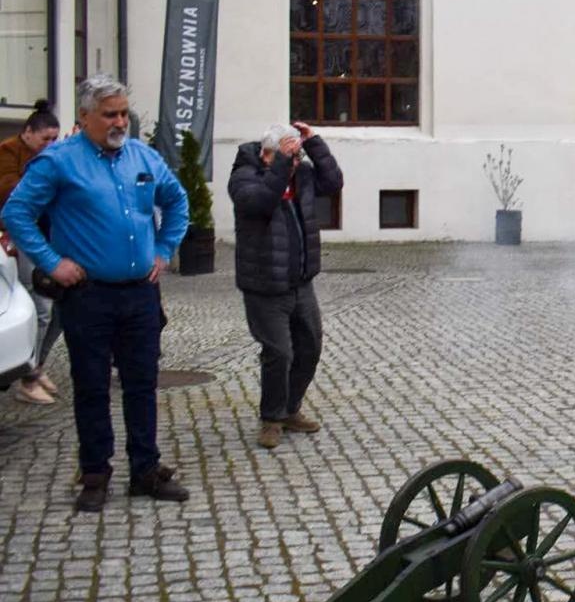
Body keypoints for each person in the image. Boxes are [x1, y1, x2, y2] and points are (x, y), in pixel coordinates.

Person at [2, 75, 190, 512]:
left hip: (141, 295)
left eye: (123, 113)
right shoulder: (59, 162)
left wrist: (164, 249)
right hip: (89, 296)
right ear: (85, 117)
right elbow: (17, 212)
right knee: (91, 387)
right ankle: (95, 473)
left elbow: (178, 203)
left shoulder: (142, 157)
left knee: (142, 384)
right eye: (109, 115)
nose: (119, 121)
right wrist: (52, 262)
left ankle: (145, 469)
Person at [227, 121, 341, 449]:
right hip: (263, 284)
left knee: (310, 346)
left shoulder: (300, 173)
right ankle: (271, 418)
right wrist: (282, 166)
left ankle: (291, 409)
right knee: (279, 352)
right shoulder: (243, 176)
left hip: (300, 281)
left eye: (295, 158)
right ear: (267, 155)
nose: (295, 164)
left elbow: (333, 182)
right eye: (289, 158)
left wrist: (314, 144)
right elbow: (260, 202)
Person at [0, 101, 64, 404]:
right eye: (45, 139)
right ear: (27, 133)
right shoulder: (8, 153)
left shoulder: (50, 158)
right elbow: (9, 193)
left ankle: (35, 366)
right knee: (40, 308)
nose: (50, 145)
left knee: (57, 310)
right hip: (18, 239)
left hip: (46, 237)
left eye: (55, 139)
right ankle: (28, 374)